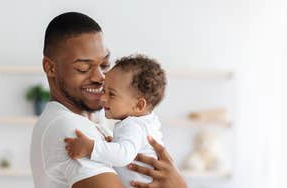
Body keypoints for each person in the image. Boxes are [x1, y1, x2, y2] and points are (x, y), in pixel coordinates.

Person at [30, 12, 187, 188]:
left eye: (104, 65)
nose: (100, 77)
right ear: (50, 67)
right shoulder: (71, 129)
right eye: (83, 67)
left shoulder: (90, 125)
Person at [64, 55, 167, 188]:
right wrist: (115, 143)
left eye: (111, 94)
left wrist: (90, 147)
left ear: (139, 105)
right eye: (104, 90)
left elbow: (123, 155)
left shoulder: (133, 125)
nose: (103, 98)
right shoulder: (147, 122)